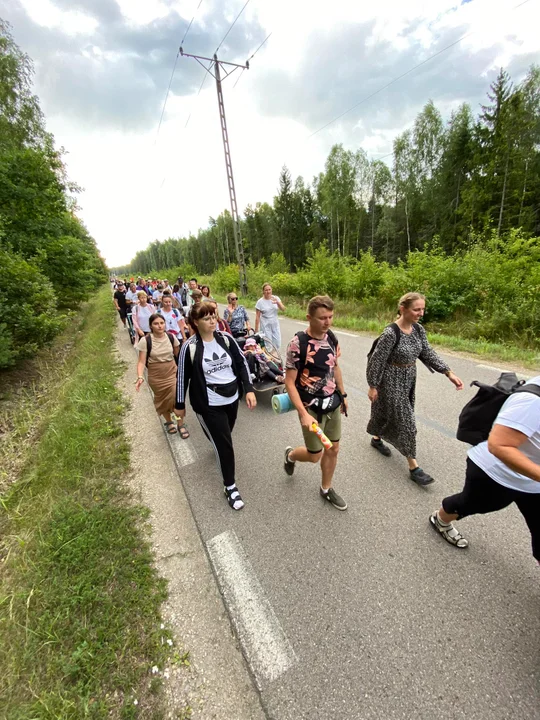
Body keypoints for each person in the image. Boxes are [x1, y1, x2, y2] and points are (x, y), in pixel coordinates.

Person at [429, 374, 540, 560]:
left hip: (533, 482)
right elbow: (499, 445)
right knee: (474, 504)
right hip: (495, 472)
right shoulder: (531, 402)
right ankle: (441, 519)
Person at [366, 292, 464, 486]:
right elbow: (376, 361)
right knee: (407, 422)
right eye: (416, 309)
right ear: (403, 309)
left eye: (422, 309)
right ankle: (414, 467)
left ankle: (376, 438)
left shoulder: (418, 330)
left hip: (408, 379)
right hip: (390, 380)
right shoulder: (390, 333)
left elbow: (427, 352)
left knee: (386, 411)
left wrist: (448, 372)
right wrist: (373, 385)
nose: (421, 313)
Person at [175, 302, 256, 509]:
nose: (212, 321)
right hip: (208, 403)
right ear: (195, 322)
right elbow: (182, 377)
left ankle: (216, 439)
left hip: (231, 398)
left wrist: (249, 389)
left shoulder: (226, 339)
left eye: (214, 316)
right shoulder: (189, 347)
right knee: (225, 445)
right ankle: (230, 487)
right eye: (206, 318)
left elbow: (241, 363)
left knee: (226, 433)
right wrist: (179, 405)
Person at [283, 295, 348, 510]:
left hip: (333, 405)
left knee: (334, 449)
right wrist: (302, 412)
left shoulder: (332, 338)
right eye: (322, 318)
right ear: (309, 317)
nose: (327, 322)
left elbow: (335, 367)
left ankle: (326, 489)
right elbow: (290, 383)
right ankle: (291, 455)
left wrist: (343, 394)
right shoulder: (297, 344)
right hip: (311, 408)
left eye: (330, 317)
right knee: (314, 455)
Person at [135, 313, 181, 434]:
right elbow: (141, 362)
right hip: (156, 376)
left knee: (176, 397)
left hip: (172, 372)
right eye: (156, 324)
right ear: (151, 326)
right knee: (162, 400)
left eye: (162, 323)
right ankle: (169, 421)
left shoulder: (171, 337)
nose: (160, 326)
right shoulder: (145, 341)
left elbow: (179, 356)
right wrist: (140, 376)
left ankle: (181, 424)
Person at [255, 283, 285, 349]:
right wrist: (256, 330)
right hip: (265, 324)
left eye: (269, 289)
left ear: (271, 290)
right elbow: (257, 317)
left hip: (275, 323)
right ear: (263, 291)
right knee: (268, 345)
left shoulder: (276, 298)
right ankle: (269, 358)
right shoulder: (260, 302)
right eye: (266, 290)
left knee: (277, 343)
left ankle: (274, 357)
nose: (268, 291)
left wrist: (277, 302)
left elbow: (283, 309)